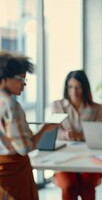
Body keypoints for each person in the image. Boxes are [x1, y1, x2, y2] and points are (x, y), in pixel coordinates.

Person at [0, 51, 58, 200]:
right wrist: (44, 129)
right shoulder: (11, 105)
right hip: (14, 173)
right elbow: (24, 148)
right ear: (5, 78)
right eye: (21, 79)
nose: (24, 84)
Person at [52, 70, 102, 200]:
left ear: (84, 88)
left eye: (78, 87)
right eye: (70, 87)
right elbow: (53, 131)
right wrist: (66, 135)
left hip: (90, 156)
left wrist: (81, 136)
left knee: (87, 186)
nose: (74, 91)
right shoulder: (57, 105)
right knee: (69, 186)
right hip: (64, 157)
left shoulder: (96, 108)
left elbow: (100, 134)